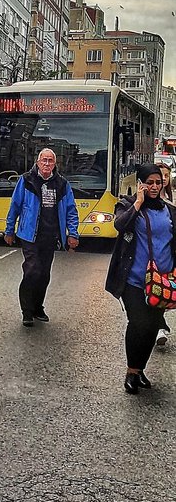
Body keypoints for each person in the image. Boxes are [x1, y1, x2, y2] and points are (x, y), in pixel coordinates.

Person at [106, 163, 176, 393]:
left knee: (153, 325)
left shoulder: (169, 210)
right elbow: (119, 225)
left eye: (158, 182)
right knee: (139, 323)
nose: (155, 186)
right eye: (150, 182)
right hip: (134, 279)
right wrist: (137, 201)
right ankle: (131, 371)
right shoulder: (127, 205)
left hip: (161, 282)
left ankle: (140, 369)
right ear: (141, 184)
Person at [4, 148, 79, 327]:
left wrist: (73, 233)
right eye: (44, 160)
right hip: (29, 235)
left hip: (50, 236)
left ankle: (38, 308)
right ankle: (27, 311)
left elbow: (71, 210)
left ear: (55, 164)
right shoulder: (26, 180)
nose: (47, 164)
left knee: (44, 274)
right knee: (32, 270)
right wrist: (9, 230)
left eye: (50, 161)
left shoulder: (62, 184)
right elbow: (15, 205)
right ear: (37, 162)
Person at [156, 164, 174, 349]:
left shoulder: (170, 200)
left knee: (164, 292)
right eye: (161, 176)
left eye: (166, 176)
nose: (163, 180)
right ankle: (159, 328)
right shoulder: (145, 200)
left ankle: (158, 325)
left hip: (166, 256)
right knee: (155, 291)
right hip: (150, 257)